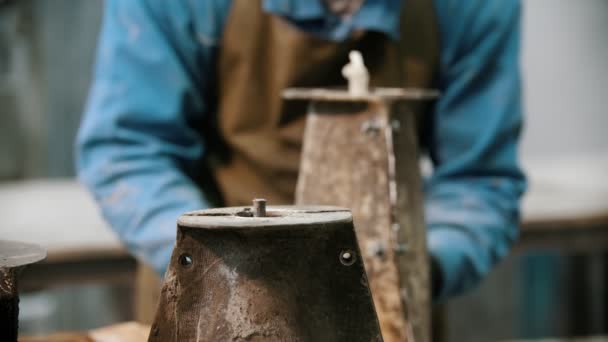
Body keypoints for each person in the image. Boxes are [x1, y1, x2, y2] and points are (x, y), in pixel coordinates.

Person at [77, 0, 526, 301]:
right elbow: (129, 149)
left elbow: (479, 179)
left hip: (390, 303)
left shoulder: (471, 8)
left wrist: (412, 273)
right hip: (211, 296)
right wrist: (223, 270)